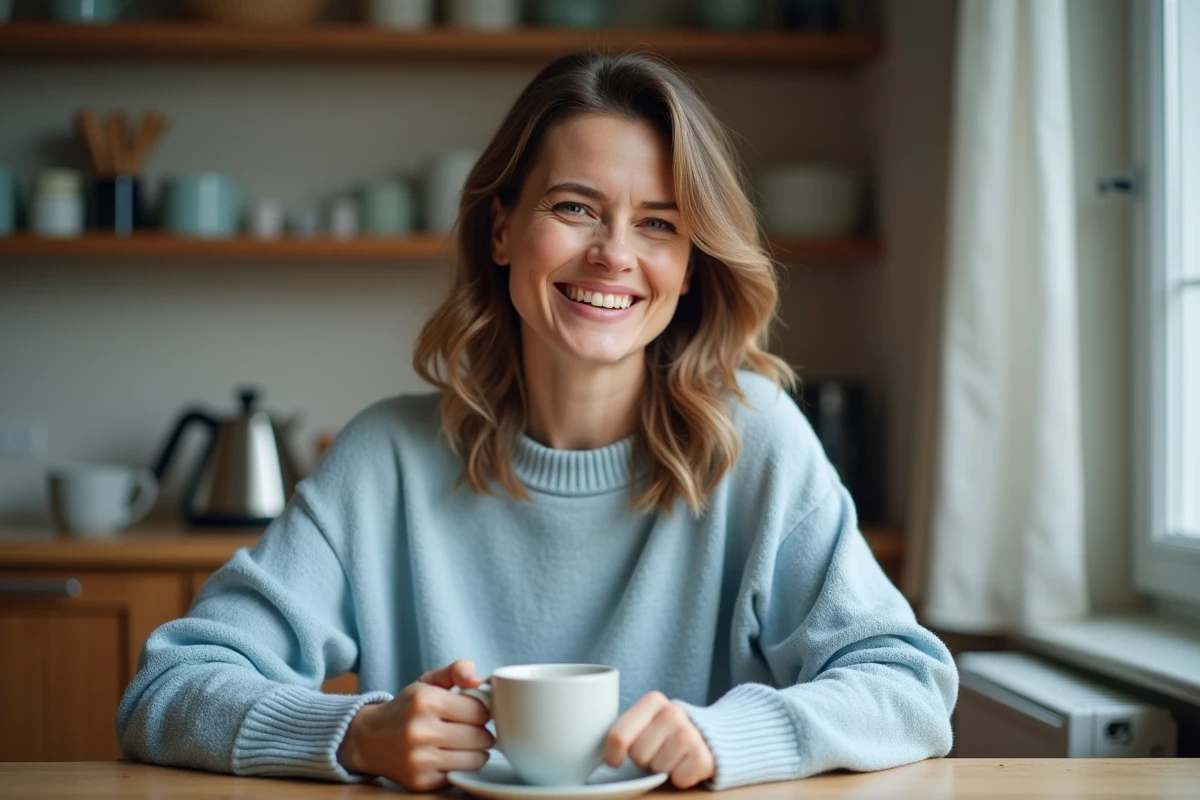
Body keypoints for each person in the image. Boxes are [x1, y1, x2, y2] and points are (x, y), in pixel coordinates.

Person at [117, 51, 957, 792]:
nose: (614, 254)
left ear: (691, 266)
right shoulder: (386, 460)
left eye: (658, 224)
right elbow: (167, 688)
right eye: (575, 208)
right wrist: (355, 733)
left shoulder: (757, 442)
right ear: (502, 229)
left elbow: (908, 685)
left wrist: (726, 735)